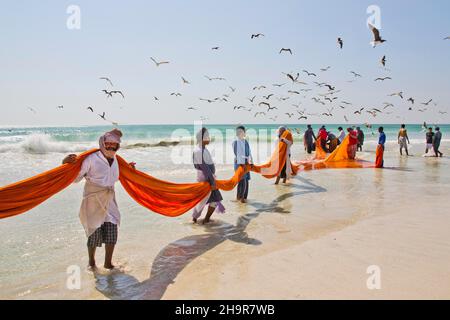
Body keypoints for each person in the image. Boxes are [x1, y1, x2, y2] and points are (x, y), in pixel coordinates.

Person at [62, 129, 136, 270]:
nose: (111, 146)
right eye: (108, 143)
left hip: (110, 199)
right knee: (94, 233)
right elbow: (76, 178)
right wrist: (65, 164)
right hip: (93, 199)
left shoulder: (117, 161)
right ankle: (92, 263)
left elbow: (117, 177)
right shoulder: (91, 159)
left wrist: (129, 169)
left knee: (112, 230)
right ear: (102, 143)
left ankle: (108, 263)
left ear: (118, 146)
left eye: (114, 144)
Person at [192, 127, 224, 224]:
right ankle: (195, 220)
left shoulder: (203, 149)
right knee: (202, 202)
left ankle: (205, 220)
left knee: (214, 200)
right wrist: (212, 182)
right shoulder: (198, 151)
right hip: (205, 181)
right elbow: (205, 169)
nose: (209, 138)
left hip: (209, 179)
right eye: (207, 136)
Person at [232, 126, 253, 203]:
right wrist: (242, 163)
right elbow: (237, 154)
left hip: (246, 163)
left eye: (244, 131)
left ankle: (244, 197)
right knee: (241, 180)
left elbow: (249, 152)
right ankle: (240, 198)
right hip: (239, 163)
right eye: (242, 131)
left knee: (246, 180)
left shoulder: (246, 141)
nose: (244, 133)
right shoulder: (235, 142)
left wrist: (251, 162)